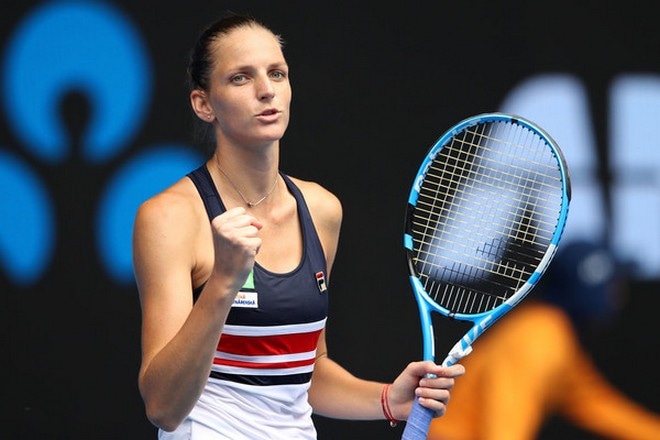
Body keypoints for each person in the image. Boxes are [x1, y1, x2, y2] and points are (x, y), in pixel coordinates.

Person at [132, 12, 465, 439]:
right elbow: (163, 406)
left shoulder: (322, 210)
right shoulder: (169, 217)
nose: (266, 90)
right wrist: (224, 282)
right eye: (240, 78)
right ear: (204, 104)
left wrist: (387, 399)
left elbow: (307, 372)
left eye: (277, 73)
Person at [428, 240, 660, 440]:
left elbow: (600, 407)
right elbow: (504, 431)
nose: (619, 294)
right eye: (613, 285)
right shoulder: (541, 338)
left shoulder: (553, 334)